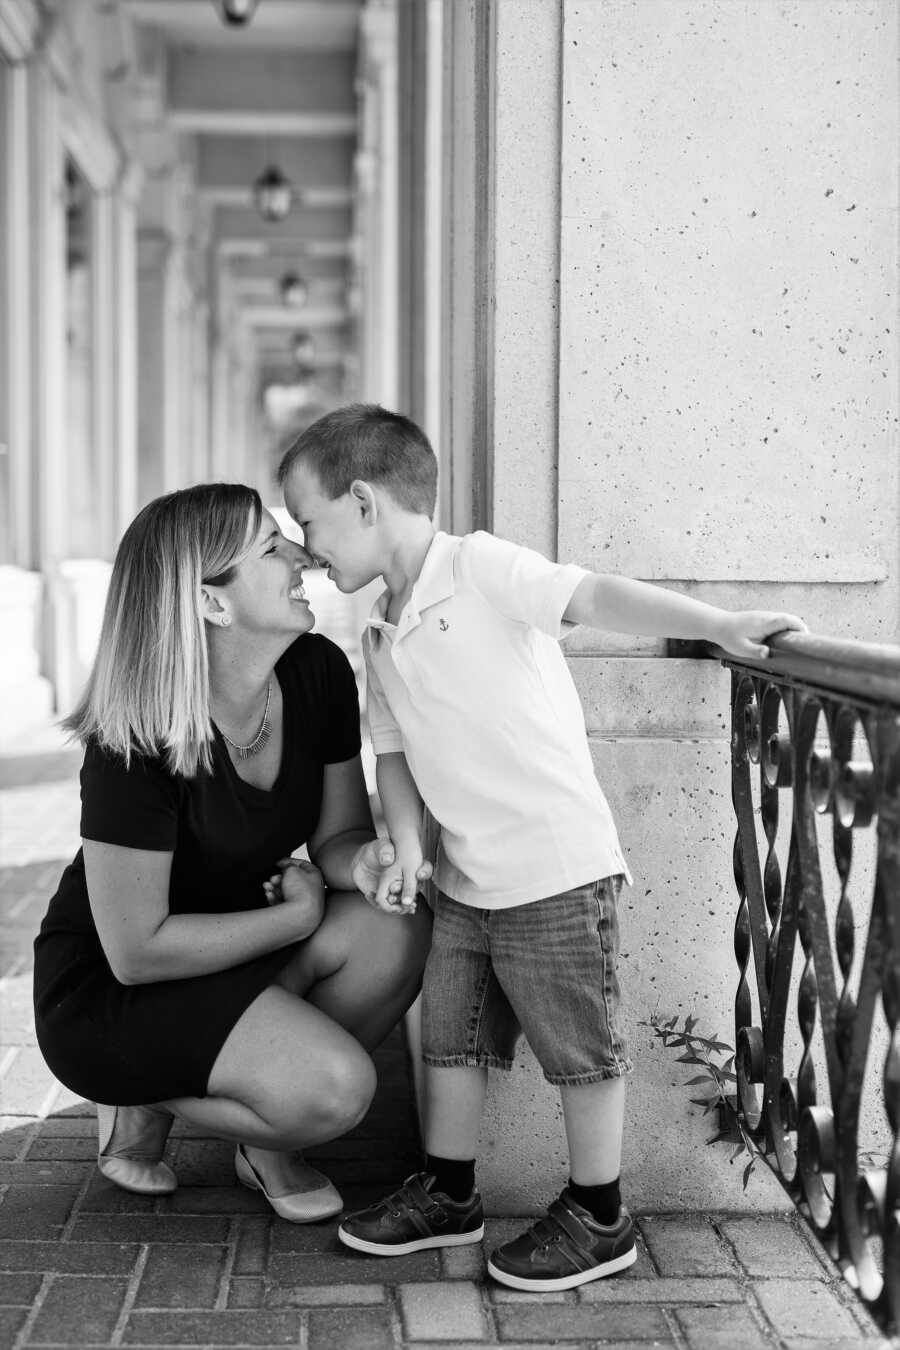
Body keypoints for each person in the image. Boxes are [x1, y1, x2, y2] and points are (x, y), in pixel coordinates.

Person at [277, 403, 807, 1286]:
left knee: (579, 1048)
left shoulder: (477, 566)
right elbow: (398, 757)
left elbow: (591, 595)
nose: (305, 548)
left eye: (309, 522)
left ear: (364, 503)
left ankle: (602, 1216)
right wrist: (405, 845)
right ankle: (449, 1196)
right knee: (452, 1042)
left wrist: (717, 623)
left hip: (556, 871)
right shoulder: (376, 632)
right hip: (464, 882)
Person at [32, 482, 431, 1220]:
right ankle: (144, 1093)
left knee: (396, 924)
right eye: (271, 549)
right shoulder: (133, 740)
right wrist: (294, 920)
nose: (303, 555)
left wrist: (365, 864)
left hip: (238, 944)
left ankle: (267, 1133)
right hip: (118, 992)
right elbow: (137, 952)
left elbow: (337, 838)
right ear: (212, 602)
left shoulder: (314, 672)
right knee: (337, 1091)